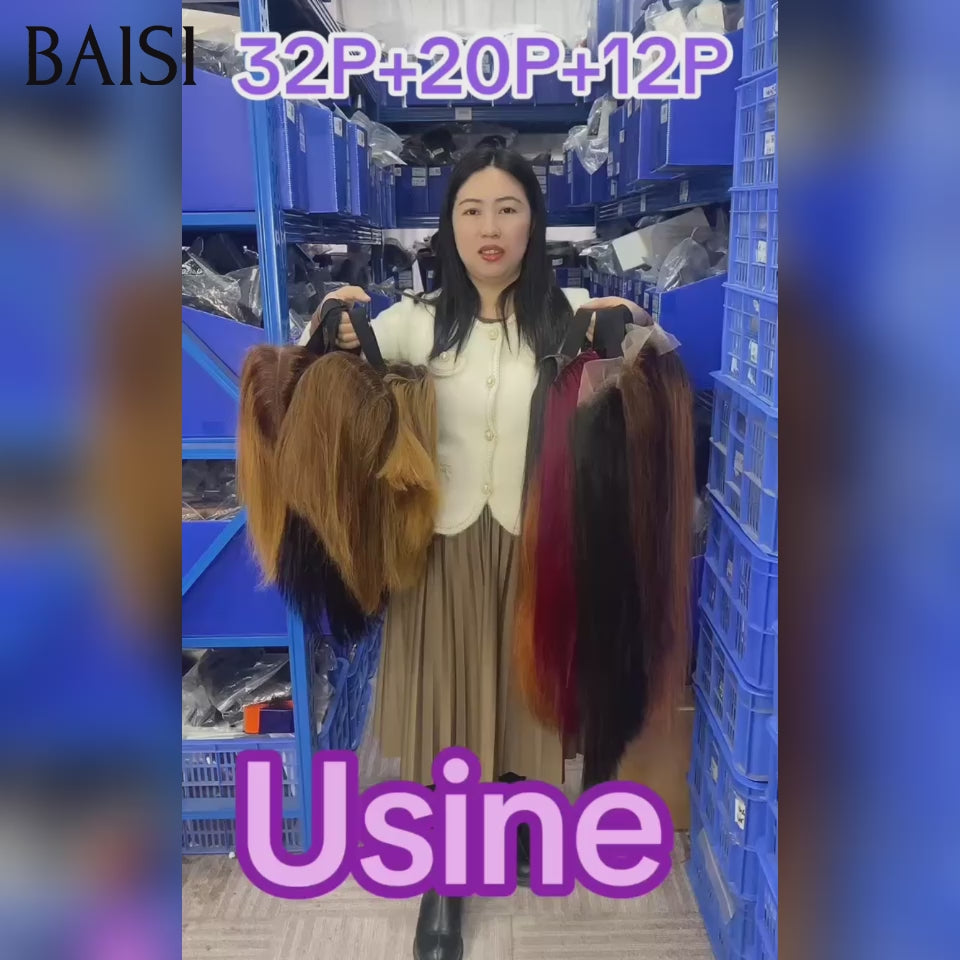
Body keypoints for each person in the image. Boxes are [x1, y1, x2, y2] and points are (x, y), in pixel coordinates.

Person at [304, 145, 647, 960]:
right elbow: (323, 375)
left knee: (523, 687)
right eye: (471, 210)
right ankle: (445, 878)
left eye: (508, 208)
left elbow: (648, 362)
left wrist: (630, 323)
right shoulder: (412, 321)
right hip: (439, 545)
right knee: (446, 702)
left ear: (534, 222)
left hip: (536, 542)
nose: (489, 227)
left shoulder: (568, 315)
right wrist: (330, 325)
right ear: (449, 225)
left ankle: (511, 815)